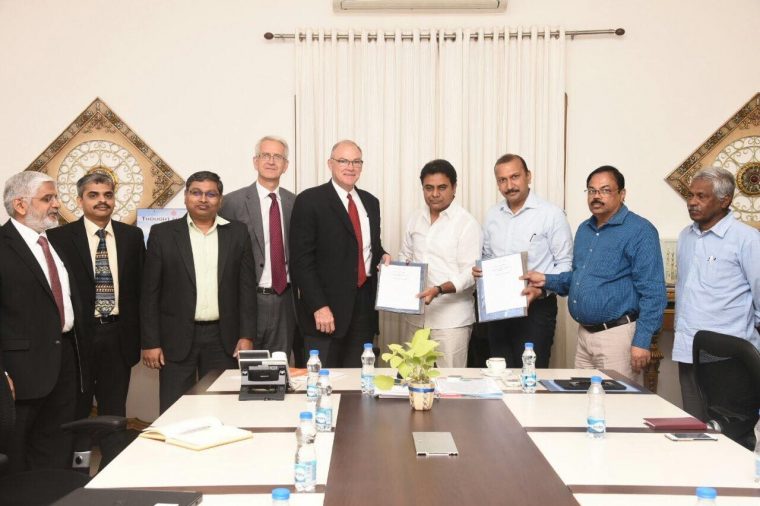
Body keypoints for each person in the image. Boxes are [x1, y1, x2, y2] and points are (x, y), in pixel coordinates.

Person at [523, 165, 667, 381]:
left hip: (617, 338)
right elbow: (578, 279)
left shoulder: (640, 231)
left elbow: (654, 292)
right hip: (584, 336)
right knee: (583, 403)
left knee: (617, 407)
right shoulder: (584, 229)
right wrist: (545, 279)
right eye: (591, 190)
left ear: (622, 194)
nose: (596, 196)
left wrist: (642, 341)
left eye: (605, 190)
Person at [141, 171, 256, 413]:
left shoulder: (237, 233)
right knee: (174, 410)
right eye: (196, 193)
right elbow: (149, 293)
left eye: (210, 194)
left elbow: (246, 289)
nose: (203, 199)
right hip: (176, 338)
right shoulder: (163, 235)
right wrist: (151, 342)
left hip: (223, 339)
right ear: (186, 197)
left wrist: (247, 335)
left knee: (221, 408)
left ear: (220, 200)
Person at [0, 171, 86, 471]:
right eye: (48, 198)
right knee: (18, 453)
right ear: (21, 205)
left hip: (63, 362)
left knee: (56, 446)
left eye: (56, 197)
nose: (56, 204)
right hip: (19, 373)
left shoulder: (55, 243)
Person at [48, 173, 145, 423]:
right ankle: (77, 460)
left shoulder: (132, 237)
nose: (102, 201)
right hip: (77, 339)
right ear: (80, 200)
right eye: (94, 195)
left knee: (114, 411)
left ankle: (111, 462)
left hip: (118, 336)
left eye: (108, 195)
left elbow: (141, 289)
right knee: (75, 410)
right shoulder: (57, 238)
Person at [290, 140, 390, 367]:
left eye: (356, 161)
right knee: (322, 379)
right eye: (343, 161)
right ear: (330, 164)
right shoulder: (310, 200)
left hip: (363, 308)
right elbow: (301, 260)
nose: (350, 167)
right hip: (326, 312)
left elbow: (367, 245)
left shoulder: (370, 202)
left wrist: (382, 255)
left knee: (358, 383)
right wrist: (318, 306)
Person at [673, 166, 760, 420]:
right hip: (688, 350)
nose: (692, 202)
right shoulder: (685, 237)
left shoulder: (746, 239)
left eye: (702, 196)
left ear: (725, 201)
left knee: (730, 431)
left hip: (728, 357)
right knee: (695, 425)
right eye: (690, 196)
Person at [473, 154, 573, 368]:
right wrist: (482, 272)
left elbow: (565, 264)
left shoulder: (551, 214)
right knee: (499, 374)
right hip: (498, 309)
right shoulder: (493, 215)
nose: (509, 185)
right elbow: (488, 256)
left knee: (530, 375)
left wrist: (541, 289)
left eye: (515, 176)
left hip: (536, 308)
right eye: (502, 180)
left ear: (528, 176)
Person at [398, 159, 481, 367]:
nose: (435, 194)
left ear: (454, 188)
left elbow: (470, 274)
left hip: (451, 322)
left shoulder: (467, 224)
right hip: (416, 318)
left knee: (450, 384)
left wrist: (438, 289)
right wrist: (394, 275)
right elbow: (405, 256)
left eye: (442, 187)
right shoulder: (415, 219)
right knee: (414, 381)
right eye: (429, 188)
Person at [220, 136, 297, 358]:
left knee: (280, 371)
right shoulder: (231, 203)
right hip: (247, 302)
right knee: (244, 373)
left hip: (285, 302)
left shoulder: (296, 203)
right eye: (265, 155)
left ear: (286, 165)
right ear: (255, 161)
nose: (271, 161)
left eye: (278, 156)